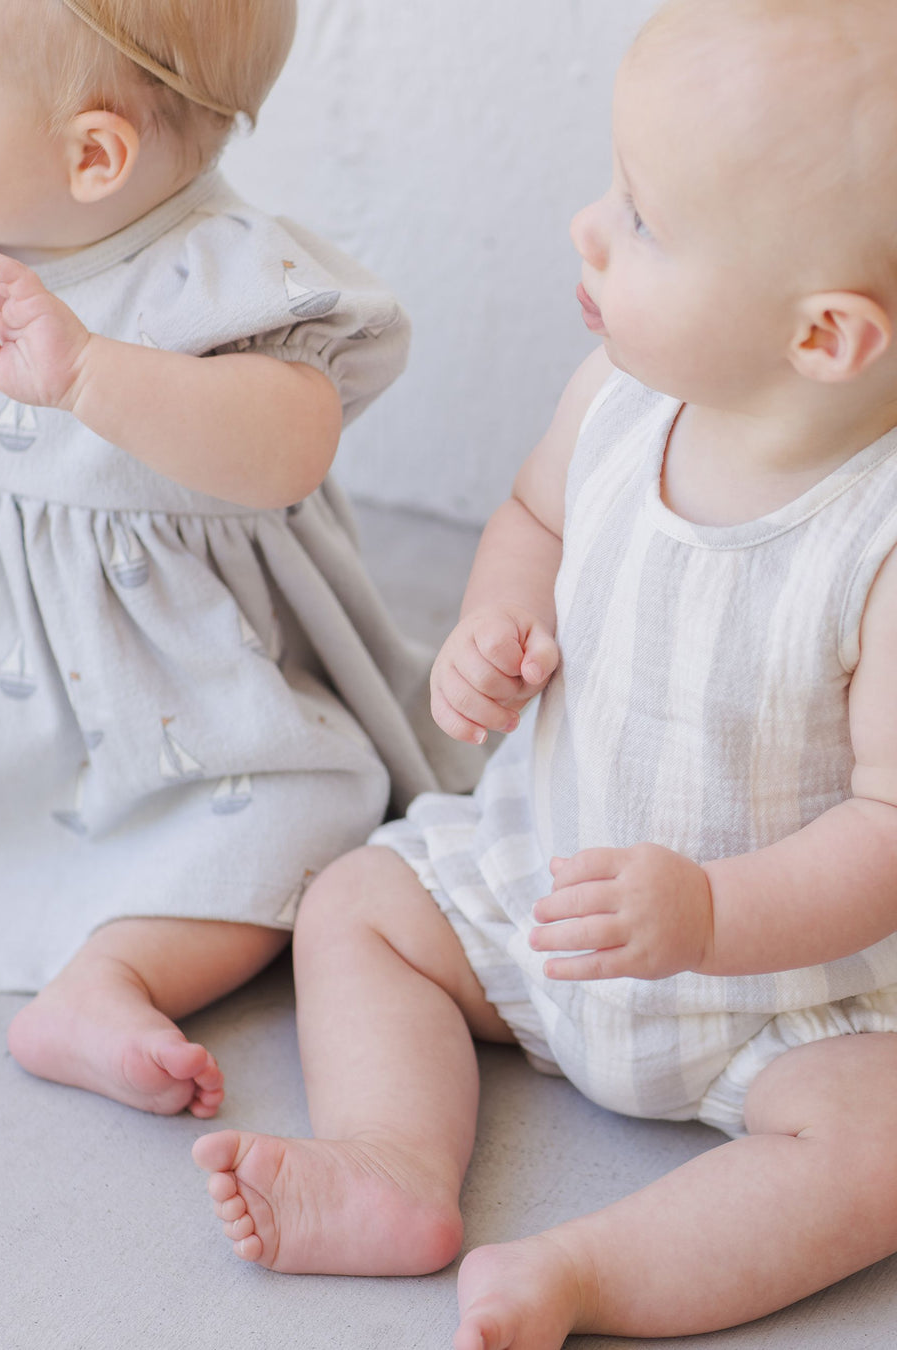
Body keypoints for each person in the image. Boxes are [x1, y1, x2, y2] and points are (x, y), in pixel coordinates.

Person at [191, 0, 897, 1343]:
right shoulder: (622, 393)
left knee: (882, 1151)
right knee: (358, 903)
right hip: (550, 879)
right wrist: (494, 627)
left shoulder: (877, 539)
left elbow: (889, 828)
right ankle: (394, 1166)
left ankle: (589, 1272)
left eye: (643, 216)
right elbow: (536, 517)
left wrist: (708, 917)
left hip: (793, 988)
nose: (587, 224)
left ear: (823, 338)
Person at [0, 0, 478, 1119]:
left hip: (158, 692)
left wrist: (89, 375)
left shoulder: (223, 277)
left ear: (94, 156)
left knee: (307, 815)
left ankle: (108, 977)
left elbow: (287, 449)